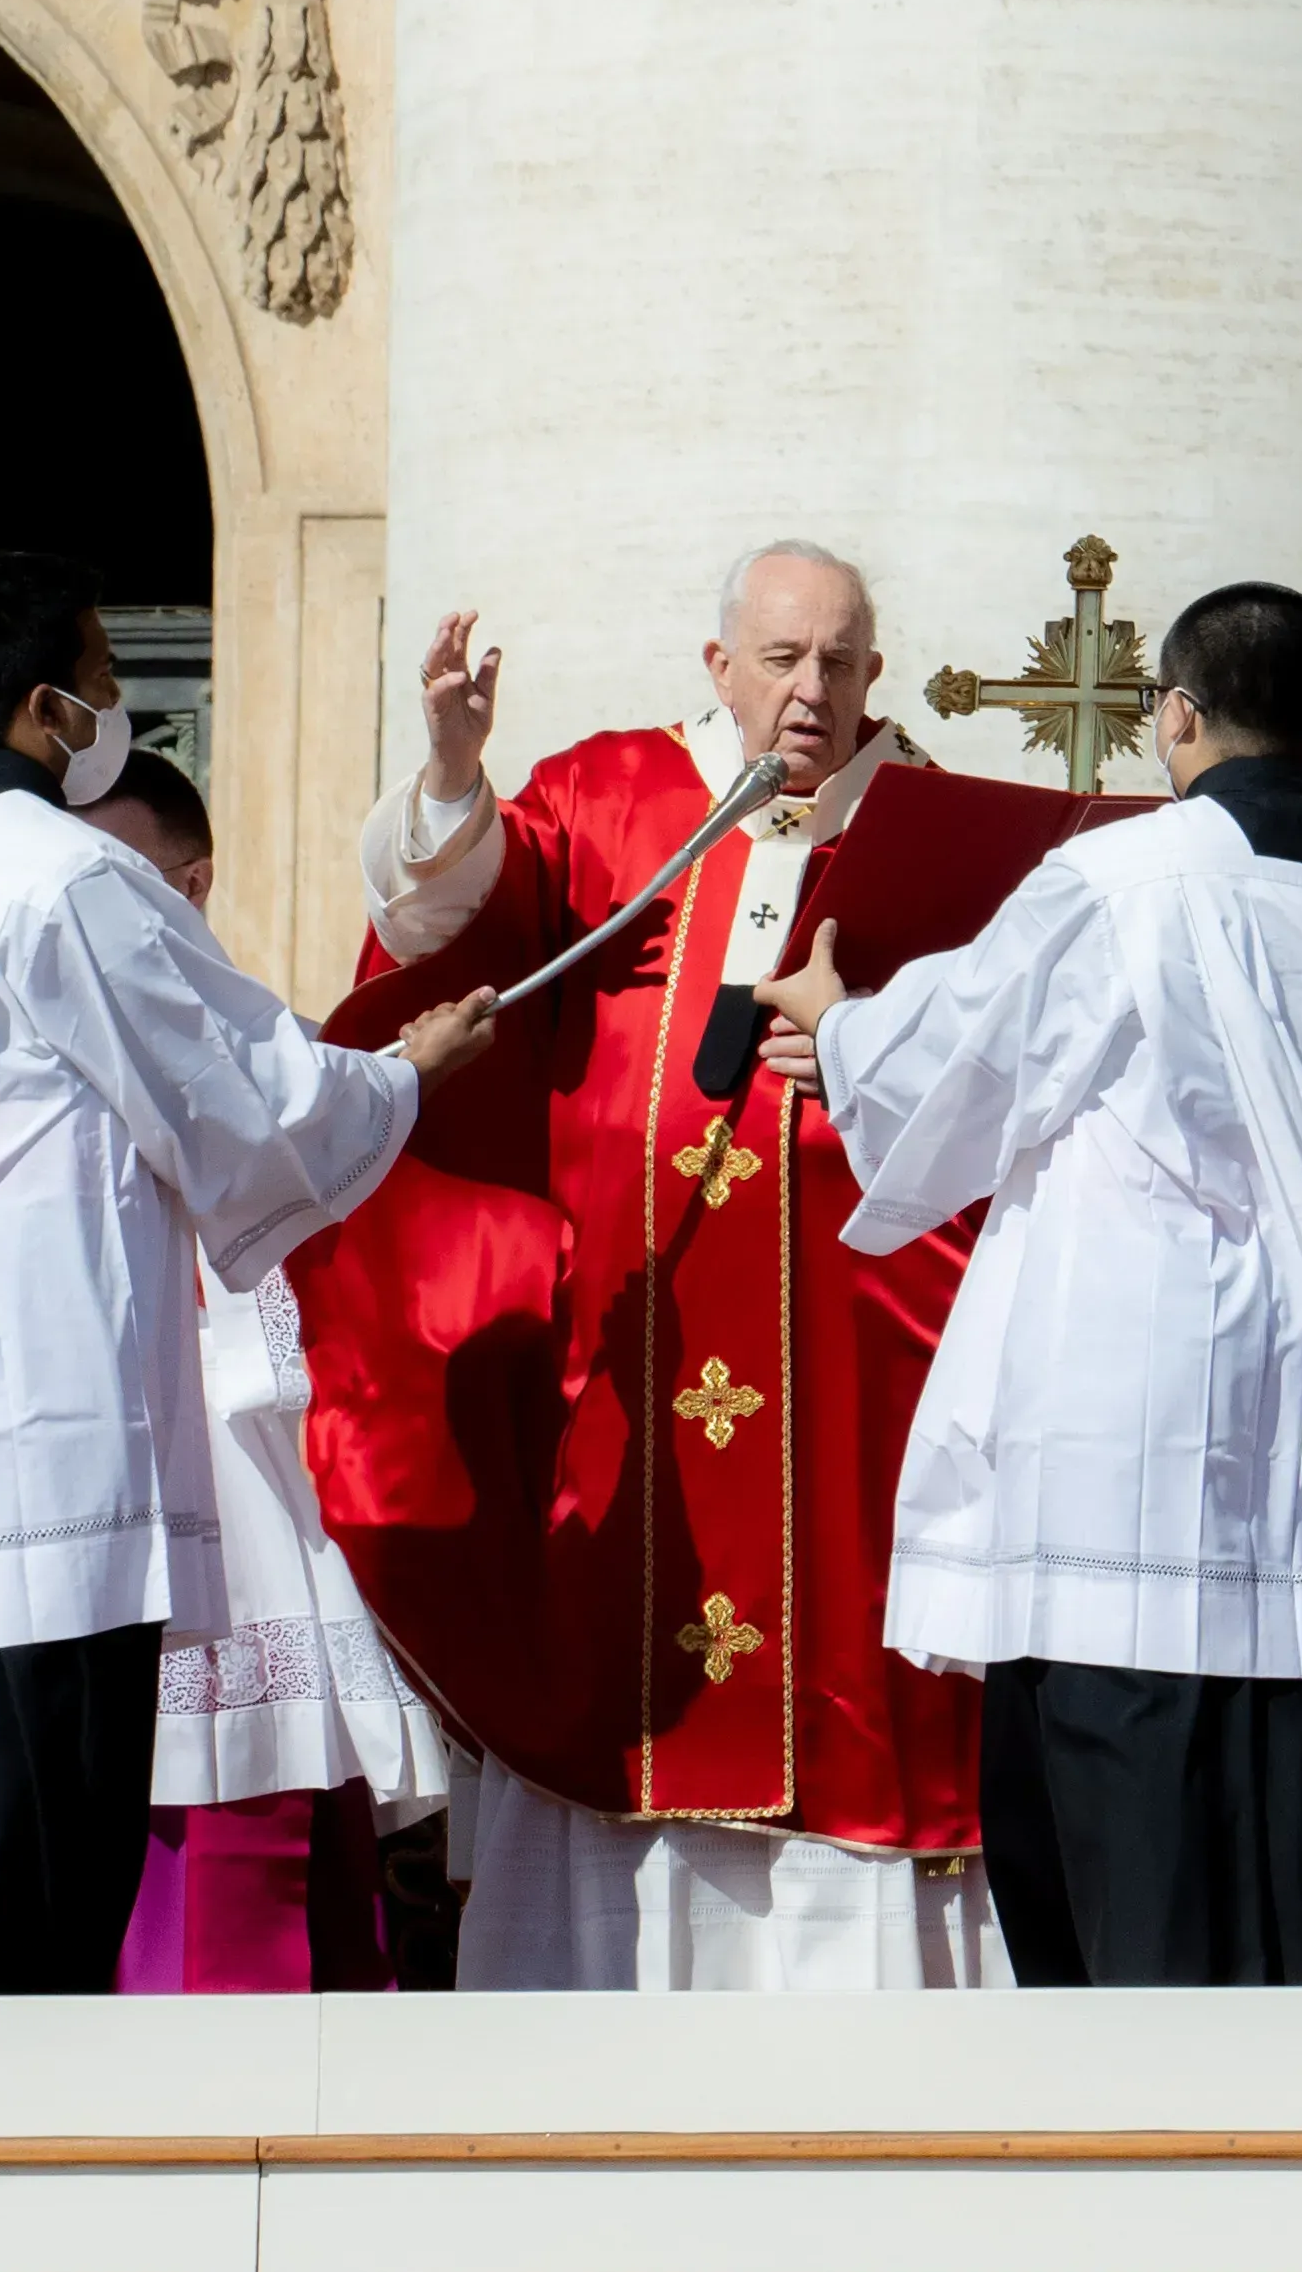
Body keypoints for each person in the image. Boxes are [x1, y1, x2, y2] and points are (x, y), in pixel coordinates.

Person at [0, 552, 493, 1993]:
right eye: (112, 689)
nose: (121, 711)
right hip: (20, 1474)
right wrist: (403, 1076)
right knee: (7, 1898)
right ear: (53, 711)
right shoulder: (68, 878)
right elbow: (242, 1100)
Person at [761, 580, 1302, 1986]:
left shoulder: (1124, 881)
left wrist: (842, 1026)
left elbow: (967, 1067)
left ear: (1175, 712)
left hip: (1141, 1431)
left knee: (1128, 1838)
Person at [289, 542, 999, 1987]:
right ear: (719, 664)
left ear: (876, 671)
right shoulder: (616, 793)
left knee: (853, 1664)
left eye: (842, 663)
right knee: (630, 1656)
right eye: (785, 660)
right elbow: (455, 921)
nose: (813, 692)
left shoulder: (937, 830)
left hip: (853, 1350)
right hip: (646, 1329)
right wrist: (449, 773)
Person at [83, 752, 447, 1994]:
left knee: (268, 1852)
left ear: (192, 886)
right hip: (95, 1473)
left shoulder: (245, 1032)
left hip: (242, 1484)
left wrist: (406, 1076)